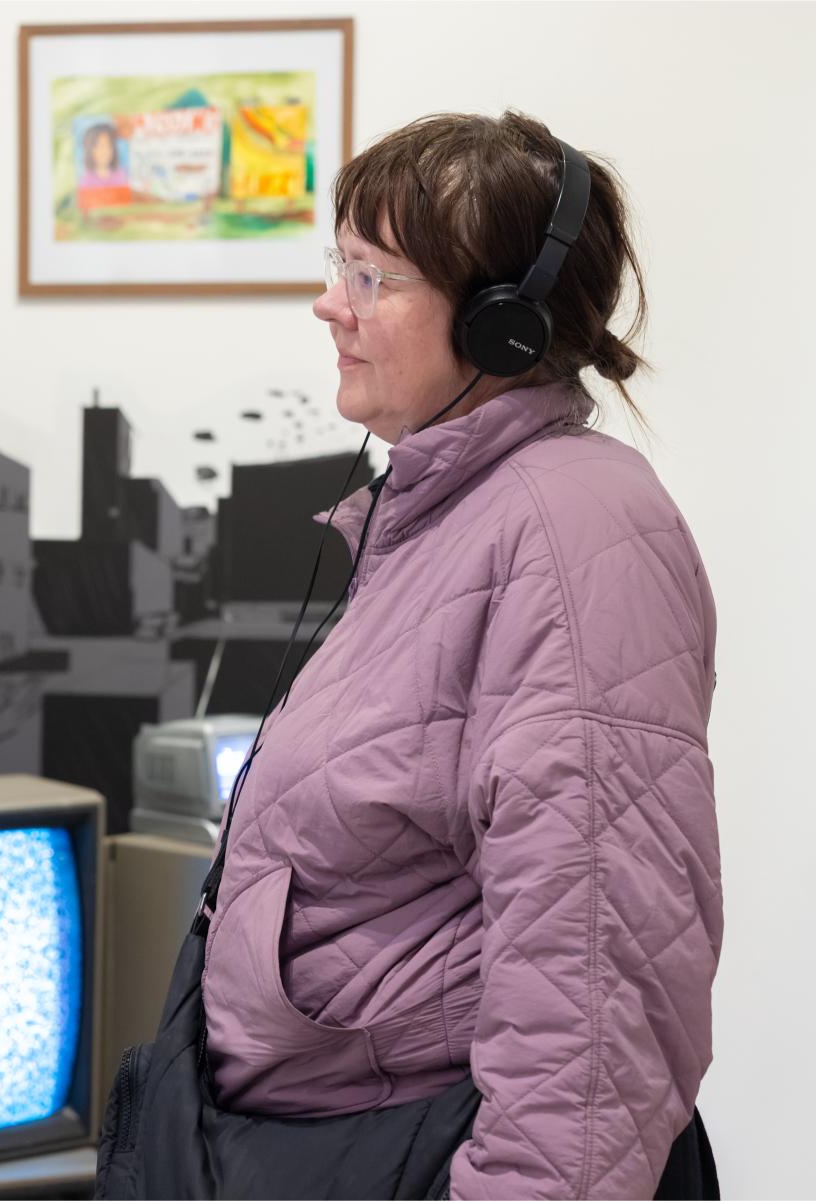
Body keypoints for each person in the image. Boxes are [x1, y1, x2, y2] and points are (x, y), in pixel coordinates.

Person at [200, 110, 721, 1198]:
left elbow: (598, 975)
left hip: (410, 1149)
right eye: (337, 264)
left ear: (500, 330)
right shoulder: (453, 510)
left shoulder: (572, 533)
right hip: (331, 1136)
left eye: (372, 277)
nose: (328, 303)